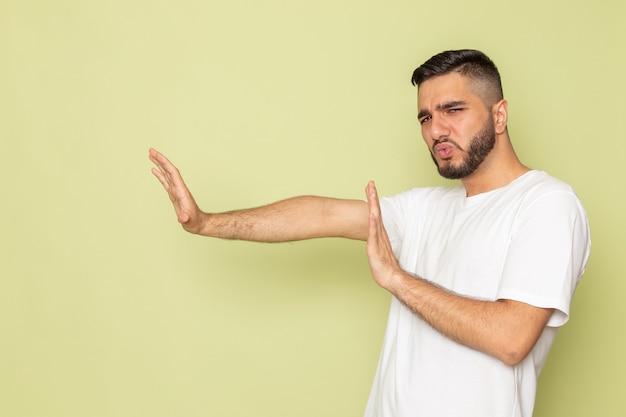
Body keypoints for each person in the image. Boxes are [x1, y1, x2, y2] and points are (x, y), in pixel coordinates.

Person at [149, 49, 590, 417]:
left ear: (499, 115)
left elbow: (511, 339)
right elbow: (319, 214)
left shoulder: (546, 204)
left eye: (453, 110)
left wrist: (397, 279)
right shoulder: (425, 208)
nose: (436, 130)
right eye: (425, 117)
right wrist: (206, 223)